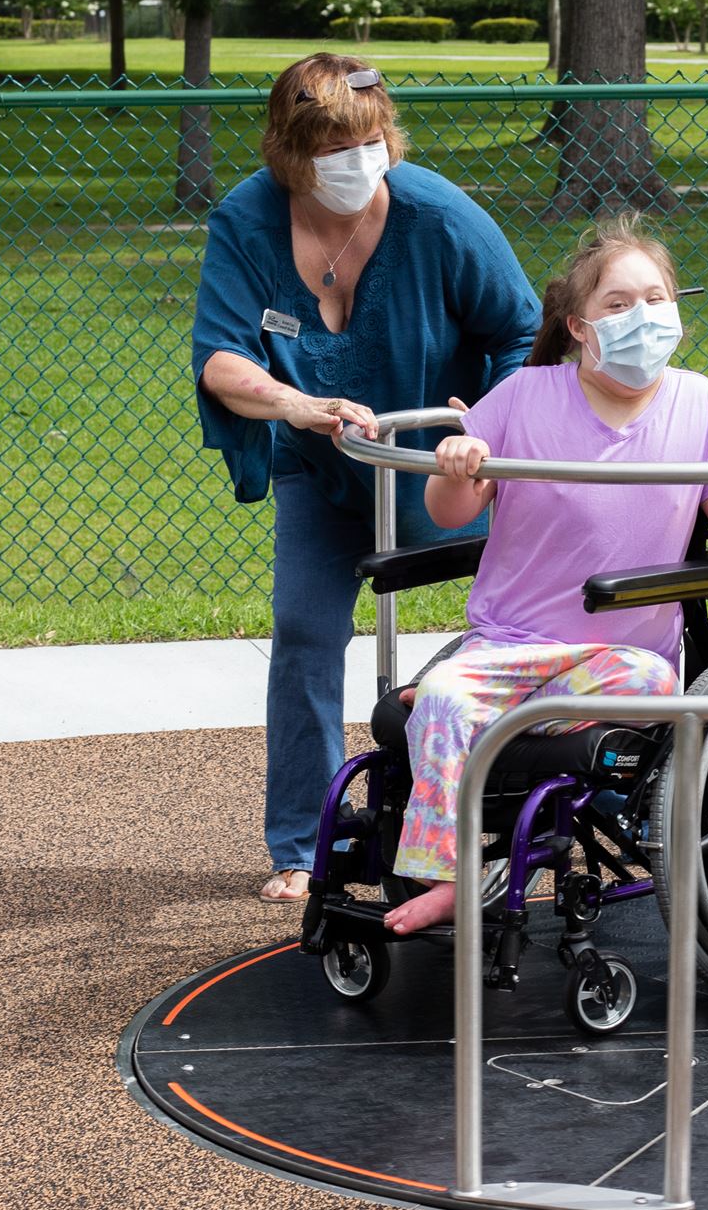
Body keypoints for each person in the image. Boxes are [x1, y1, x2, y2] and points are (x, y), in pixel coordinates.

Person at [378, 222, 708, 936]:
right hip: (512, 640)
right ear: (578, 326)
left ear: (677, 313)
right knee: (447, 697)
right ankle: (449, 875)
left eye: (655, 298)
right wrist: (459, 460)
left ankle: (484, 699)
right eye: (618, 303)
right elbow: (450, 510)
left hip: (620, 665)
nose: (642, 315)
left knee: (661, 691)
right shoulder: (522, 395)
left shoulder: (697, 404)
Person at [193, 54, 540, 904]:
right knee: (304, 632)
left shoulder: (438, 215)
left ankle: (509, 802)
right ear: (288, 150)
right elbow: (221, 358)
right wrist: (297, 404)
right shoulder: (248, 221)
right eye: (335, 147)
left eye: (371, 140)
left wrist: (484, 424)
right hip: (327, 465)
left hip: (442, 468)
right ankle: (303, 842)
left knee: (522, 621)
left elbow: (523, 328)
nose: (358, 159)